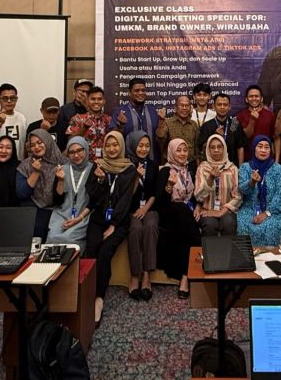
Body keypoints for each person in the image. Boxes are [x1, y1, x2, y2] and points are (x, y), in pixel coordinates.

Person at [85, 131, 138, 324]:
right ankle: (86, 291)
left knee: (105, 251)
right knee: (92, 247)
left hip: (119, 221)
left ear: (121, 146)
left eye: (115, 145)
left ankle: (99, 298)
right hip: (99, 218)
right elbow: (93, 196)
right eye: (108, 145)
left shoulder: (129, 169)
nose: (112, 149)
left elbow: (125, 200)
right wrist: (100, 180)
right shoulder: (98, 166)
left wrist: (114, 224)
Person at [156, 138, 200, 298]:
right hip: (169, 212)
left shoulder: (190, 170)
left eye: (185, 150)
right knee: (181, 210)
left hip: (186, 214)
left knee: (185, 219)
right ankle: (187, 276)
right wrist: (169, 185)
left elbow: (194, 196)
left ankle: (185, 276)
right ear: (171, 152)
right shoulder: (165, 171)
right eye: (178, 150)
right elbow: (160, 201)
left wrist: (198, 206)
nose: (182, 154)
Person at [236, 135, 281, 246]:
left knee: (271, 227)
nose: (263, 150)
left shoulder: (278, 169)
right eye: (260, 146)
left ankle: (270, 255)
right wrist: (251, 182)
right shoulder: (245, 168)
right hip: (249, 208)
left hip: (272, 211)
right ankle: (247, 255)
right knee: (244, 225)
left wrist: (266, 213)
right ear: (254, 148)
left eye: (266, 147)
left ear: (271, 150)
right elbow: (242, 190)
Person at [126, 130, 159, 301]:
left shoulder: (152, 165)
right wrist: (136, 177)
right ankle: (134, 275)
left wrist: (145, 209)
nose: (144, 149)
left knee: (150, 226)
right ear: (133, 146)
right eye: (140, 145)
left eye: (147, 146)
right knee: (135, 229)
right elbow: (126, 195)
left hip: (149, 207)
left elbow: (155, 192)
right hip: (131, 209)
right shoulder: (126, 165)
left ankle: (146, 275)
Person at [16, 128, 65, 239]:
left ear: (48, 141)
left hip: (60, 208)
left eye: (39, 142)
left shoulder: (63, 162)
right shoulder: (25, 165)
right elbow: (21, 193)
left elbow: (65, 195)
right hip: (36, 206)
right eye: (32, 145)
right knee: (36, 229)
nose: (37, 147)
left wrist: (61, 180)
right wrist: (36, 172)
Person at [46, 136, 93, 248]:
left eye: (79, 150)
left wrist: (79, 218)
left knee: (69, 239)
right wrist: (61, 180)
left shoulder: (94, 169)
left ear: (86, 150)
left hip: (83, 214)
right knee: (53, 237)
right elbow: (57, 199)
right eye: (71, 152)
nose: (76, 155)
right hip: (62, 214)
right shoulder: (63, 169)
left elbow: (95, 200)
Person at [194, 134, 242, 236]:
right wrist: (210, 179)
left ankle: (229, 248)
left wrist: (221, 212)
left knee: (228, 223)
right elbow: (199, 197)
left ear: (224, 149)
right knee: (210, 224)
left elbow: (238, 196)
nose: (216, 150)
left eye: (219, 147)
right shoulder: (202, 168)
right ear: (208, 150)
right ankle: (209, 248)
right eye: (212, 147)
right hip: (207, 210)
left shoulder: (232, 168)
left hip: (227, 211)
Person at [111, 78, 167, 156]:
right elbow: (113, 138)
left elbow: (161, 139)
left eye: (143, 90)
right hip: (127, 160)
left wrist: (161, 123)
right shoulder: (120, 112)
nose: (140, 93)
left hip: (151, 160)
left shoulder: (153, 112)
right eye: (136, 91)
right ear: (129, 92)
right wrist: (120, 126)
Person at [66, 86, 111, 161]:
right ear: (87, 101)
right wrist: (84, 128)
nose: (96, 102)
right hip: (83, 162)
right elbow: (70, 141)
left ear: (104, 101)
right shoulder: (77, 119)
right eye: (93, 99)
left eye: (99, 99)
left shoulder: (109, 120)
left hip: (104, 163)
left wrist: (120, 125)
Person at [199, 94, 247, 165]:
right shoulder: (207, 125)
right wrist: (215, 136)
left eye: (225, 105)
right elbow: (203, 149)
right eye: (219, 104)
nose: (222, 107)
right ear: (213, 106)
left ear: (229, 107)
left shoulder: (234, 123)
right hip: (212, 167)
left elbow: (240, 147)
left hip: (232, 166)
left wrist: (241, 168)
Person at [236, 85, 275, 158]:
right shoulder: (238, 116)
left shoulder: (271, 115)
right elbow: (244, 137)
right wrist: (252, 120)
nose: (254, 98)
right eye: (251, 96)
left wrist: (276, 159)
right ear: (246, 99)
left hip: (266, 157)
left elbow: (275, 137)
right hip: (248, 158)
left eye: (256, 96)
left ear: (261, 99)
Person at [162, 95, 200, 161]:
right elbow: (160, 139)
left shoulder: (194, 124)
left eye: (187, 105)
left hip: (191, 163)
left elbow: (197, 147)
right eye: (182, 105)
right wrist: (161, 123)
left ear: (190, 108)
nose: (184, 108)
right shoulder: (168, 123)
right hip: (172, 164)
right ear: (175, 108)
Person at [58, 79, 94, 147]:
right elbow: (61, 133)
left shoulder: (94, 109)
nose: (84, 94)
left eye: (87, 92)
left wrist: (86, 105)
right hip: (70, 146)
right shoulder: (65, 109)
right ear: (74, 92)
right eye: (82, 91)